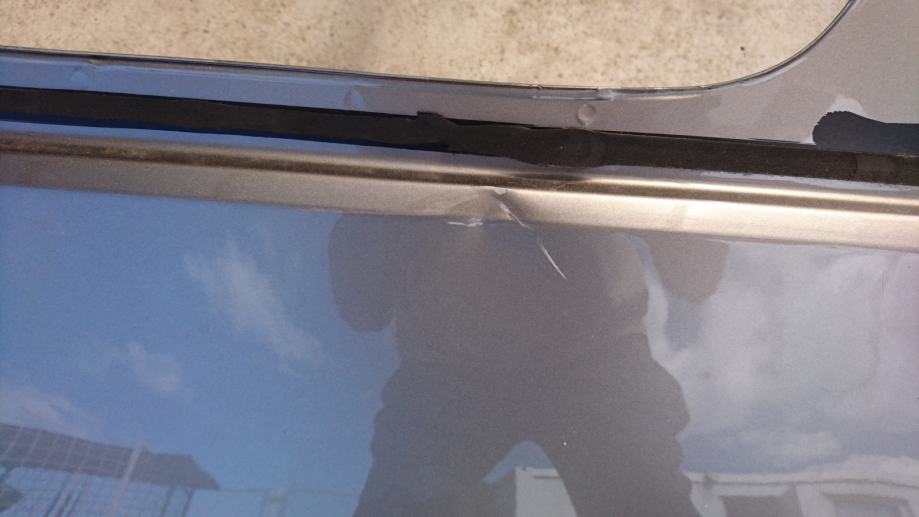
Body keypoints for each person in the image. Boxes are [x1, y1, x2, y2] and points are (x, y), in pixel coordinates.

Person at [329, 211, 725, 517]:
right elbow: (363, 306)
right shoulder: (396, 133)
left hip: (589, 363)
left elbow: (362, 308)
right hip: (453, 374)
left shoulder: (626, 128)